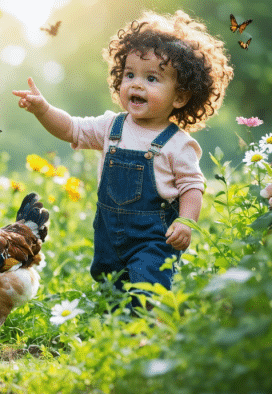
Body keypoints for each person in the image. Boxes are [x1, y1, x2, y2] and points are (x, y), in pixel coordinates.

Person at [13, 10, 233, 309]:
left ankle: (143, 331)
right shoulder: (110, 127)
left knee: (147, 287)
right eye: (129, 74)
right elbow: (71, 129)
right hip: (109, 238)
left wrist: (185, 221)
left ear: (179, 97)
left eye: (152, 78)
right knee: (110, 290)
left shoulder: (177, 144)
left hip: (154, 241)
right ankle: (115, 329)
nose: (136, 84)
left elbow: (192, 186)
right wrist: (43, 110)